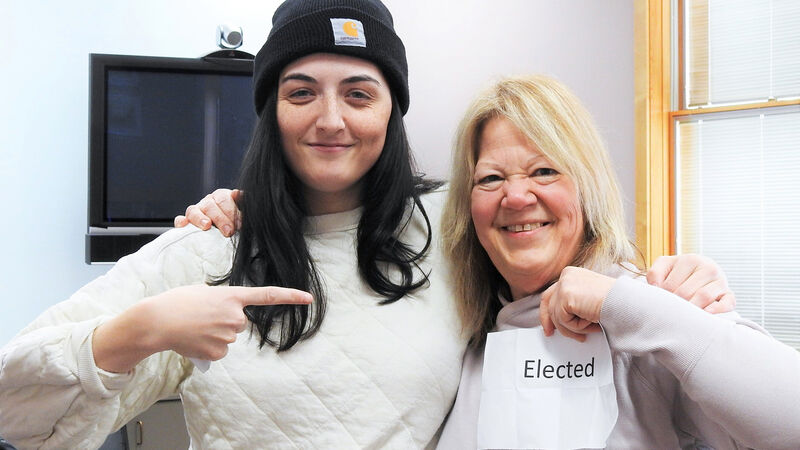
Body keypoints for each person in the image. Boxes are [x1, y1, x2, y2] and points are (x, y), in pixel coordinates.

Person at [0, 2, 734, 449]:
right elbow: (15, 409)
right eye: (301, 92)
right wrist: (139, 330)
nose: (331, 119)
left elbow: (572, 258)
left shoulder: (450, 228)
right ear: (270, 111)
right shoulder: (205, 248)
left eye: (359, 93)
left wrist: (677, 281)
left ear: (391, 111)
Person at [433, 74, 800, 448]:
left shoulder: (648, 318)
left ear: (587, 187)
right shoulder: (463, 346)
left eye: (544, 171)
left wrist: (628, 305)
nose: (515, 197)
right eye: (491, 178)